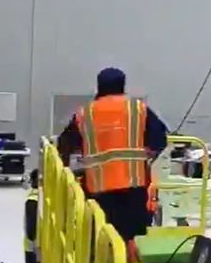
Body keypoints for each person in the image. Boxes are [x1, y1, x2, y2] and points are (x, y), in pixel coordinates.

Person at [56, 67, 168, 241]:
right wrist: (145, 160)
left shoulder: (85, 113)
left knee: (101, 240)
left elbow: (65, 144)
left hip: (99, 191)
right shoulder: (138, 109)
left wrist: (66, 172)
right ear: (123, 86)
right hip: (134, 188)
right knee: (132, 240)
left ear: (99, 86)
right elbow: (160, 141)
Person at [25, 169, 41, 263]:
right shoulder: (38, 199)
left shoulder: (33, 199)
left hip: (33, 246)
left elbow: (31, 229)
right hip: (42, 246)